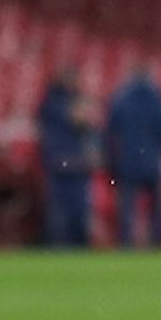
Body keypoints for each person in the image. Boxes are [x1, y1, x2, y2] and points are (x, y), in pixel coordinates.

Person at [104, 68, 161, 249]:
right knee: (156, 208)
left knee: (127, 209)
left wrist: (110, 162)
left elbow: (109, 133)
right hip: (152, 162)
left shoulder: (120, 99)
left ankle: (126, 245)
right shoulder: (158, 100)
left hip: (128, 162)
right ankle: (156, 244)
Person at [34, 68, 94, 251]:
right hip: (61, 163)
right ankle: (59, 251)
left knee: (79, 214)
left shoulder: (60, 102)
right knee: (60, 215)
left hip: (76, 164)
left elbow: (86, 123)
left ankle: (78, 250)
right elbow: (78, 117)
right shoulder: (53, 103)